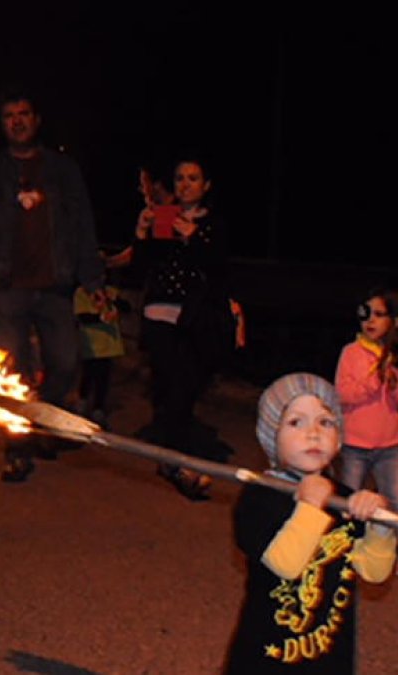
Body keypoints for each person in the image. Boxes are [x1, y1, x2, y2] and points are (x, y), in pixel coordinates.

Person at [0, 89, 104, 482]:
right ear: (2, 124)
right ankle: (17, 448)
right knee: (14, 371)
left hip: (55, 287)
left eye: (24, 113)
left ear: (37, 119)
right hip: (7, 287)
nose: (17, 121)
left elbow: (83, 227)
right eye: (9, 115)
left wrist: (93, 278)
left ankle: (41, 422)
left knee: (64, 362)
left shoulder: (63, 170)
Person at [225, 373, 396, 673]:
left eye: (325, 422)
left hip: (328, 654)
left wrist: (380, 527)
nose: (314, 433)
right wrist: (310, 507)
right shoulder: (258, 499)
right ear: (270, 438)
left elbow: (374, 573)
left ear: (339, 438)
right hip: (267, 659)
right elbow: (286, 565)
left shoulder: (342, 497)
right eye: (296, 422)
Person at [133, 159, 236, 499]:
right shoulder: (164, 216)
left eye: (193, 178)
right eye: (179, 178)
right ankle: (178, 464)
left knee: (186, 387)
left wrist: (196, 239)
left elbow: (220, 269)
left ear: (206, 185)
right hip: (161, 314)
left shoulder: (214, 225)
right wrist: (143, 232)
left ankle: (172, 455)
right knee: (173, 385)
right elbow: (145, 266)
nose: (185, 184)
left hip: (197, 318)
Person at [334, 287, 398, 581]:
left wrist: (395, 382)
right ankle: (342, 548)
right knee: (348, 498)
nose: (371, 321)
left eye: (379, 314)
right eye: (366, 314)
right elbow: (344, 394)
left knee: (394, 499)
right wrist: (373, 380)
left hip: (389, 444)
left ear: (392, 319)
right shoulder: (351, 353)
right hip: (355, 443)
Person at [73, 282, 127, 428]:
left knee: (103, 377)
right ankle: (82, 401)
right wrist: (101, 318)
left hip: (108, 346)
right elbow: (82, 317)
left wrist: (115, 300)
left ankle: (99, 408)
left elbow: (127, 308)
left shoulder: (110, 291)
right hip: (91, 344)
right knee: (89, 374)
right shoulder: (82, 292)